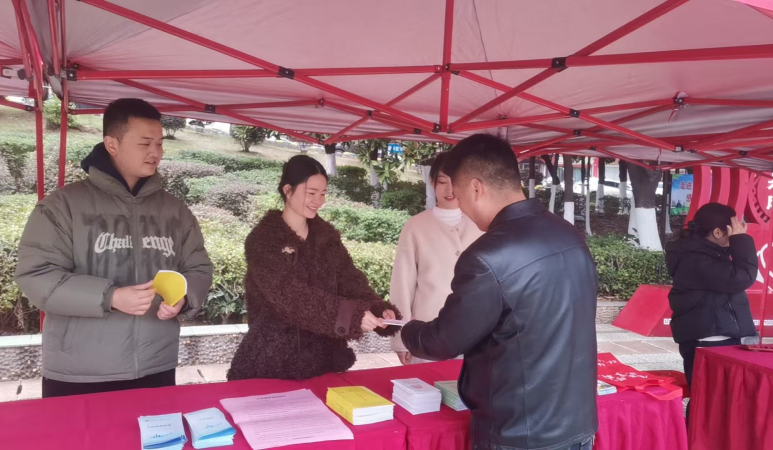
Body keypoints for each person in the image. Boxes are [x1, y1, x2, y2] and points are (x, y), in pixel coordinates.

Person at [401, 134, 598, 450]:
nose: (462, 208)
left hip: (520, 432)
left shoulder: (488, 256)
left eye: (460, 197)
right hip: (577, 423)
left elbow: (444, 340)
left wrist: (406, 329)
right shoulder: (568, 234)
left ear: (476, 188)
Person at [15, 98, 213, 398]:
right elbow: (37, 275)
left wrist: (183, 298)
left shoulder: (175, 211)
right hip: (78, 371)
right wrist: (111, 297)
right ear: (112, 144)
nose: (155, 152)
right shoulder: (63, 206)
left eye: (159, 144)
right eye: (145, 143)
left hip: (155, 364)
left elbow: (198, 268)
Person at [227, 155, 400, 381]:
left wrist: (378, 308)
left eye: (323, 193)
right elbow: (291, 297)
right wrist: (350, 316)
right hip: (273, 362)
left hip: (324, 361)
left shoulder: (327, 238)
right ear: (287, 190)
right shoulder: (263, 240)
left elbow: (351, 281)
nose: (319, 201)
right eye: (311, 193)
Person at [390, 152, 483, 365]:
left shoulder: (481, 225)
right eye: (442, 182)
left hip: (475, 332)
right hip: (426, 331)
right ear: (432, 182)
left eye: (455, 182)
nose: (450, 190)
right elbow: (402, 285)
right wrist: (401, 339)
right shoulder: (415, 226)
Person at [665, 203, 757, 404]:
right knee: (710, 403)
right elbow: (743, 277)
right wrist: (741, 241)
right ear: (717, 232)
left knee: (724, 402)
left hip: (718, 338)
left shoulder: (706, 254)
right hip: (710, 340)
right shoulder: (696, 259)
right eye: (733, 230)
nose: (738, 233)